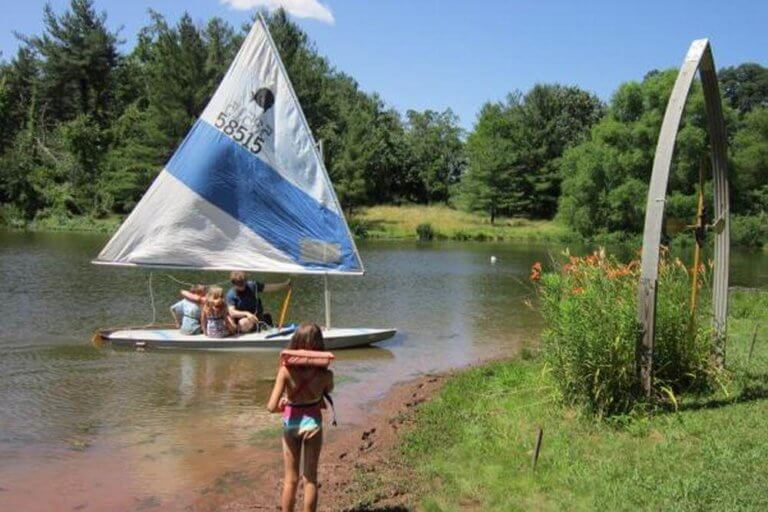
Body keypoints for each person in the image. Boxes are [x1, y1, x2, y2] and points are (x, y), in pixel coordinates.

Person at [267, 324, 334, 512]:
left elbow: (271, 407)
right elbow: (327, 391)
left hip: (291, 425)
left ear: (295, 343)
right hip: (313, 425)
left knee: (290, 479)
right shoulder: (326, 374)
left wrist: (283, 403)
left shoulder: (285, 371)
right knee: (310, 478)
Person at [226, 271, 290, 333]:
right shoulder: (231, 294)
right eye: (239, 284)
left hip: (254, 318)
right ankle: (236, 331)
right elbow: (232, 312)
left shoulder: (253, 285)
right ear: (234, 283)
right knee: (228, 320)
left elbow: (269, 287)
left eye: (243, 283)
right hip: (239, 320)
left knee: (243, 323)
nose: (242, 286)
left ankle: (263, 322)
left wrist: (284, 285)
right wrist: (247, 314)